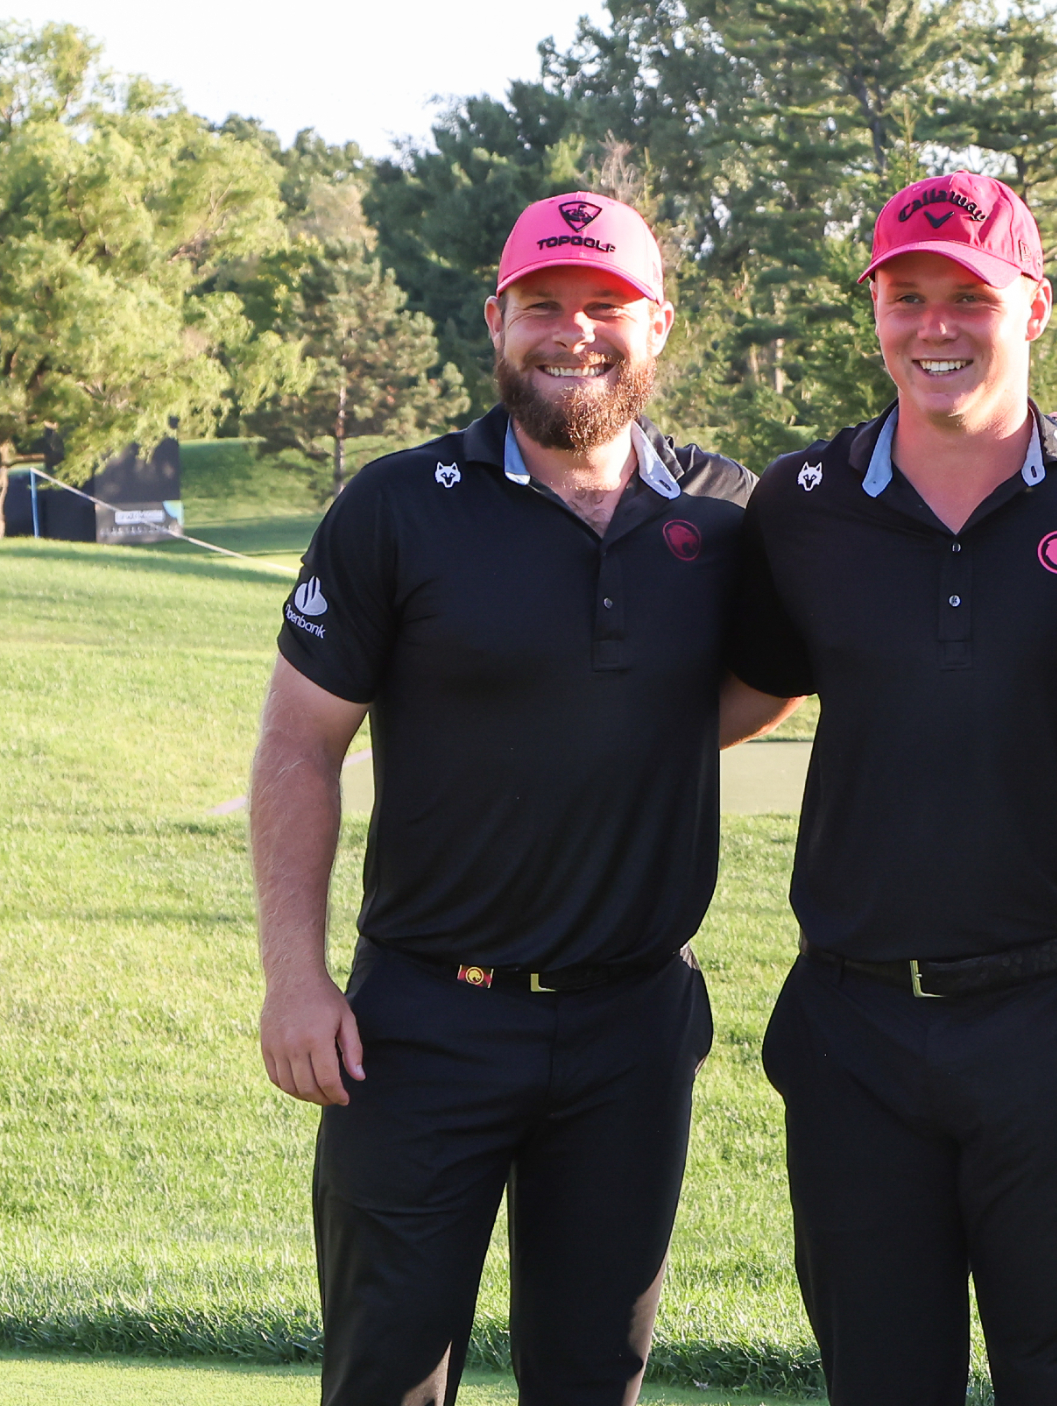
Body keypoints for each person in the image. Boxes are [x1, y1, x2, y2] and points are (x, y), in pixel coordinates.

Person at [253, 191, 774, 1406]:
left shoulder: (728, 509)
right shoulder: (395, 503)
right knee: (388, 1373)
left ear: (657, 328)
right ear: (496, 318)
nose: (571, 332)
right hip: (423, 1021)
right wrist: (295, 975)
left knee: (594, 1374)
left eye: (605, 307)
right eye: (542, 304)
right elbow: (296, 745)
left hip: (633, 1023)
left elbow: (767, 678)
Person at [720, 172, 1057, 1405]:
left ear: (1035, 307)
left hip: (1053, 1007)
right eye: (907, 295)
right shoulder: (799, 505)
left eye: (970, 294)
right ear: (876, 312)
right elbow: (746, 689)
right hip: (852, 1020)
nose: (936, 324)